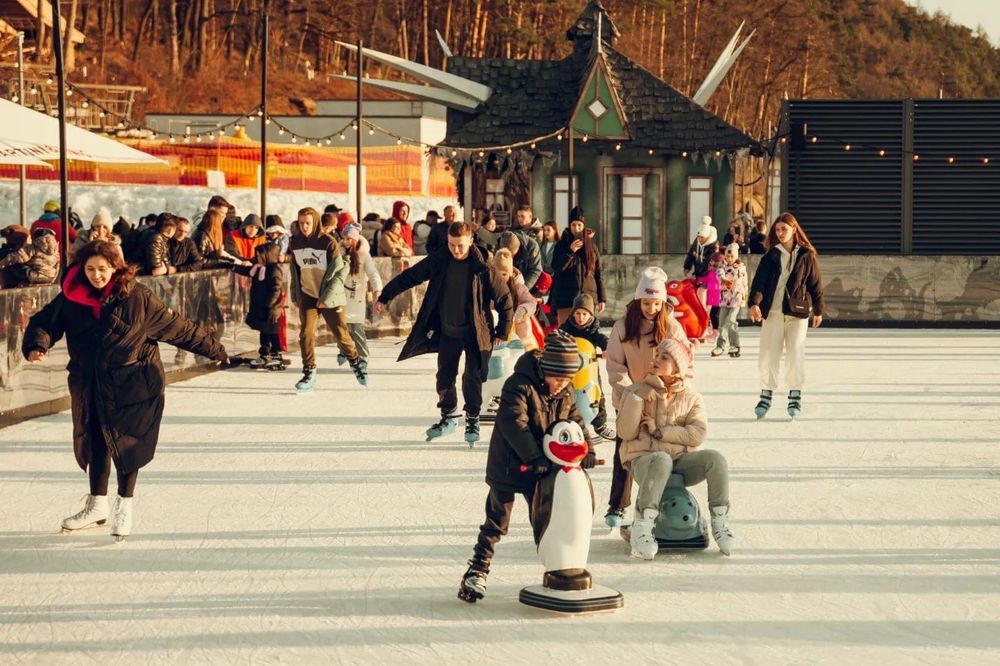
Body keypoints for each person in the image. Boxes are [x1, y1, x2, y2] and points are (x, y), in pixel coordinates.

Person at [22, 241, 228, 541]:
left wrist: (215, 349)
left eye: (102, 269)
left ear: (115, 268)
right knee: (95, 439)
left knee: (128, 442)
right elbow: (45, 321)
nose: (96, 276)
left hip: (134, 381)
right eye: (90, 269)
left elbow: (178, 327)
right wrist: (37, 343)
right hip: (90, 380)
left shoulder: (138, 298)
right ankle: (97, 505)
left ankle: (125, 506)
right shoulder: (71, 296)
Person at [457, 329, 595, 603]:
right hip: (509, 467)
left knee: (547, 519)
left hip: (542, 468)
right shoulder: (518, 385)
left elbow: (575, 419)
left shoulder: (565, 390)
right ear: (545, 369)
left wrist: (587, 448)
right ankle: (477, 571)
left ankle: (559, 569)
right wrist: (534, 458)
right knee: (497, 522)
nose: (561, 384)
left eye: (567, 379)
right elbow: (514, 424)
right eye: (558, 378)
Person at [374, 222, 513, 444]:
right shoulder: (440, 261)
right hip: (448, 330)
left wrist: (502, 331)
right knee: (444, 376)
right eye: (451, 245)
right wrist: (385, 295)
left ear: (469, 241)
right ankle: (448, 416)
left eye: (460, 245)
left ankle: (472, 418)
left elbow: (505, 299)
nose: (456, 250)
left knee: (473, 377)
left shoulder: (483, 266)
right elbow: (411, 276)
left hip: (476, 331)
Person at [615, 337, 734, 558]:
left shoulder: (692, 397)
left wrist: (661, 432)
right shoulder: (637, 390)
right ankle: (642, 526)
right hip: (644, 461)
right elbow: (625, 433)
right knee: (661, 459)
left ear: (678, 367)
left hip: (680, 461)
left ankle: (720, 521)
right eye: (657, 355)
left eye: (665, 357)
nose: (657, 359)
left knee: (715, 459)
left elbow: (697, 434)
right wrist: (636, 399)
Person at [604, 267, 686, 528]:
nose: (651, 308)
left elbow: (684, 362)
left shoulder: (672, 327)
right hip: (629, 400)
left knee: (662, 454)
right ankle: (617, 505)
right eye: (646, 303)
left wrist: (669, 389)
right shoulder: (622, 327)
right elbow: (615, 366)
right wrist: (632, 394)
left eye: (656, 303)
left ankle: (660, 505)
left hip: (663, 401)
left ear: (663, 303)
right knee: (625, 452)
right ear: (638, 300)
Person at [748, 212, 825, 419]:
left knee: (795, 353)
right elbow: (759, 283)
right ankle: (766, 393)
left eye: (784, 229)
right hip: (772, 312)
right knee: (768, 353)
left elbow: (815, 284)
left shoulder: (807, 255)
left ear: (794, 229)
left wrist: (818, 309)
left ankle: (795, 394)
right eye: (778, 229)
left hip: (797, 313)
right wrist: (754, 304)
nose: (780, 233)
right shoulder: (771, 255)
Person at [288, 207, 367, 390]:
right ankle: (309, 371)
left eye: (308, 223)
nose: (304, 227)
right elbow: (295, 270)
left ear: (315, 222)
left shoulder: (328, 242)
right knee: (306, 333)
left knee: (341, 333)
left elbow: (339, 273)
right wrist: (295, 292)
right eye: (301, 223)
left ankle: (355, 361)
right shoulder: (296, 242)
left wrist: (326, 297)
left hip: (330, 295)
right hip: (308, 294)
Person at [559, 293, 615, 441]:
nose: (581, 317)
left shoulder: (592, 330)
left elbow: (602, 339)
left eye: (585, 314)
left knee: (597, 396)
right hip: (569, 371)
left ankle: (600, 425)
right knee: (567, 396)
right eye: (577, 313)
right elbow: (557, 338)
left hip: (589, 372)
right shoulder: (566, 328)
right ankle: (565, 423)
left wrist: (606, 349)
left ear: (590, 315)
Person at [233, 242, 287, 371]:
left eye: (260, 256)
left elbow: (276, 289)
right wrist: (233, 267)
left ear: (268, 256)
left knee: (272, 333)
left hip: (271, 309)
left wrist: (269, 304)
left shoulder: (273, 269)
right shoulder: (258, 268)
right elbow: (246, 271)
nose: (257, 258)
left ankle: (276, 356)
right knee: (264, 332)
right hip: (262, 307)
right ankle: (264, 354)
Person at [550, 206, 605, 325]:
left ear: (584, 226)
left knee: (586, 334)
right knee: (565, 334)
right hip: (565, 297)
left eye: (579, 225)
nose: (576, 228)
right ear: (569, 226)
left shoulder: (591, 247)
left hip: (587, 297)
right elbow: (556, 267)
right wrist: (570, 251)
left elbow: (598, 273)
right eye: (574, 225)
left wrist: (601, 298)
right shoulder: (561, 245)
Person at [338, 223, 382, 370]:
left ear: (355, 239)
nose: (345, 242)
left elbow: (373, 273)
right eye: (344, 238)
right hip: (341, 296)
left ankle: (363, 356)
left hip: (356, 297)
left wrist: (377, 289)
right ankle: (345, 350)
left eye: (348, 239)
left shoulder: (363, 255)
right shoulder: (340, 252)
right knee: (340, 326)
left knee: (356, 328)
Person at [492, 248, 538, 349]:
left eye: (504, 274)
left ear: (510, 273)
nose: (501, 278)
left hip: (520, 332)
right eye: (497, 274)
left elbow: (531, 302)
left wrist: (523, 309)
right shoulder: (490, 287)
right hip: (499, 330)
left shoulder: (518, 287)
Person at [713, 243, 748, 358]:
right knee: (722, 323)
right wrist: (723, 280)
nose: (729, 258)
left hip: (736, 298)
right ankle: (720, 346)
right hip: (724, 298)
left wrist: (745, 294)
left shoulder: (741, 267)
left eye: (732, 256)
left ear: (736, 256)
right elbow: (719, 274)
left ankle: (735, 345)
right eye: (727, 256)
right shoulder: (722, 266)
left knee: (731, 321)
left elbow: (743, 282)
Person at [504, 205, 543, 289]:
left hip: (531, 275)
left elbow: (536, 268)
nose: (520, 219)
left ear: (530, 216)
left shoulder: (538, 232)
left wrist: (525, 288)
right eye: (518, 216)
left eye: (522, 216)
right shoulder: (514, 231)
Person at [684, 216, 720, 280]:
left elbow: (708, 264)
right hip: (697, 274)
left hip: (709, 277)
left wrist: (697, 275)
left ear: (707, 237)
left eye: (702, 238)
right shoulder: (697, 241)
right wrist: (687, 267)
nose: (699, 239)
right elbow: (691, 254)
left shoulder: (713, 247)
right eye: (698, 237)